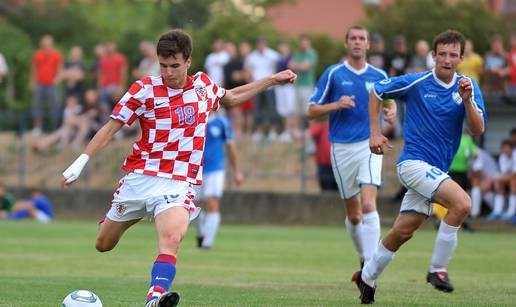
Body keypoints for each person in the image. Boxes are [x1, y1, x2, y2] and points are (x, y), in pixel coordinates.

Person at [61, 29, 296, 307]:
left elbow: (230, 97)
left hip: (178, 181)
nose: (169, 72)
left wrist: (272, 80)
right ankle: (131, 215)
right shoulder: (143, 90)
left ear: (188, 61)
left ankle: (154, 297)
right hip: (140, 178)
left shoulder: (202, 87)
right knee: (103, 244)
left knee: (172, 237)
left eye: (174, 65)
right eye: (163, 65)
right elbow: (112, 127)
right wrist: (82, 160)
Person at [353, 30, 486, 304]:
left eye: (453, 55)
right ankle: (437, 270)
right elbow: (376, 90)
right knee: (462, 204)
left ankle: (367, 276)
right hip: (413, 164)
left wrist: (468, 100)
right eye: (442, 54)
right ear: (433, 56)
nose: (447, 60)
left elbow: (477, 129)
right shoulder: (417, 82)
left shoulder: (468, 86)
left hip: (435, 172)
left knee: (403, 231)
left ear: (461, 57)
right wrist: (375, 133)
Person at [307, 25, 394, 270]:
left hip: (369, 144)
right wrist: (335, 105)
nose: (357, 42)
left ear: (368, 44)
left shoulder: (378, 74)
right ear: (346, 44)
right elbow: (311, 111)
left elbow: (389, 99)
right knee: (354, 216)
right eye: (353, 38)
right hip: (341, 148)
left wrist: (392, 109)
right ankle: (363, 255)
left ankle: (369, 267)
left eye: (362, 38)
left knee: (368, 205)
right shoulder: (333, 74)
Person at [195, 110, 243, 249]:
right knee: (195, 206)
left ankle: (207, 244)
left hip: (215, 170)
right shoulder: (196, 119)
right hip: (195, 169)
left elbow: (231, 147)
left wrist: (237, 172)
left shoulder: (222, 122)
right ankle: (201, 235)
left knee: (212, 202)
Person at [31, 34, 63, 134]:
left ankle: (55, 128)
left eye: (48, 41)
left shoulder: (57, 54)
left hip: (51, 84)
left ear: (52, 42)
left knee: (54, 105)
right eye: (44, 41)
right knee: (37, 105)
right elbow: (34, 69)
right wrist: (32, 83)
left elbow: (60, 69)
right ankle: (37, 128)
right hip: (39, 83)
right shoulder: (37, 54)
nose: (46, 43)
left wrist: (57, 79)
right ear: (41, 43)